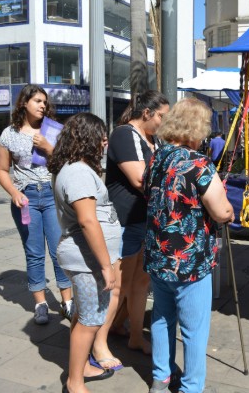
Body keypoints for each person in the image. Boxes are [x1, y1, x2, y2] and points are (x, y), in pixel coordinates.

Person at [144, 97, 235, 393]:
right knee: (194, 330)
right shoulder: (198, 163)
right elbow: (221, 211)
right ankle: (191, 387)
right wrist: (230, 212)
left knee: (161, 317)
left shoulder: (157, 158)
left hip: (159, 256)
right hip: (189, 261)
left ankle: (161, 376)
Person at [47, 113, 119, 393]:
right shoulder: (77, 172)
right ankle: (74, 382)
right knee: (89, 321)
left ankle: (83, 368)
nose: (104, 142)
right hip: (86, 259)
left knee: (84, 315)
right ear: (87, 139)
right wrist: (105, 265)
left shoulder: (78, 168)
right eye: (101, 136)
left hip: (87, 258)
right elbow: (88, 221)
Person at [0, 84, 72, 325]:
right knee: (34, 252)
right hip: (25, 199)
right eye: (37, 101)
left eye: (44, 102)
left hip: (51, 195)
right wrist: (13, 192)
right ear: (24, 104)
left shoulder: (53, 131)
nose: (42, 105)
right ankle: (40, 303)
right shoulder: (9, 134)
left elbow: (67, 164)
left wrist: (49, 149)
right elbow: (1, 169)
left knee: (59, 249)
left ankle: (67, 302)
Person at [106, 90, 170, 355]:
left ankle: (132, 334)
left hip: (145, 220)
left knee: (141, 282)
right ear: (147, 113)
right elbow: (139, 178)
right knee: (118, 285)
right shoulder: (124, 134)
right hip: (126, 219)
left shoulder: (152, 139)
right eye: (162, 117)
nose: (165, 123)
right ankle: (99, 343)